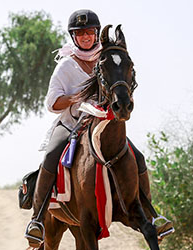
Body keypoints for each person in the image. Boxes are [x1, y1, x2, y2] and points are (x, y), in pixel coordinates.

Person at [25, 9, 171, 248]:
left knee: (138, 157)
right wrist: (76, 99)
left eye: (89, 32)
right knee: (51, 156)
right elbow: (52, 103)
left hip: (102, 123)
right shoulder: (65, 66)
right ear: (74, 37)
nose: (85, 37)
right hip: (71, 124)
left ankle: (152, 214)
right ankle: (37, 221)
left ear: (96, 34)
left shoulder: (106, 58)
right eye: (80, 33)